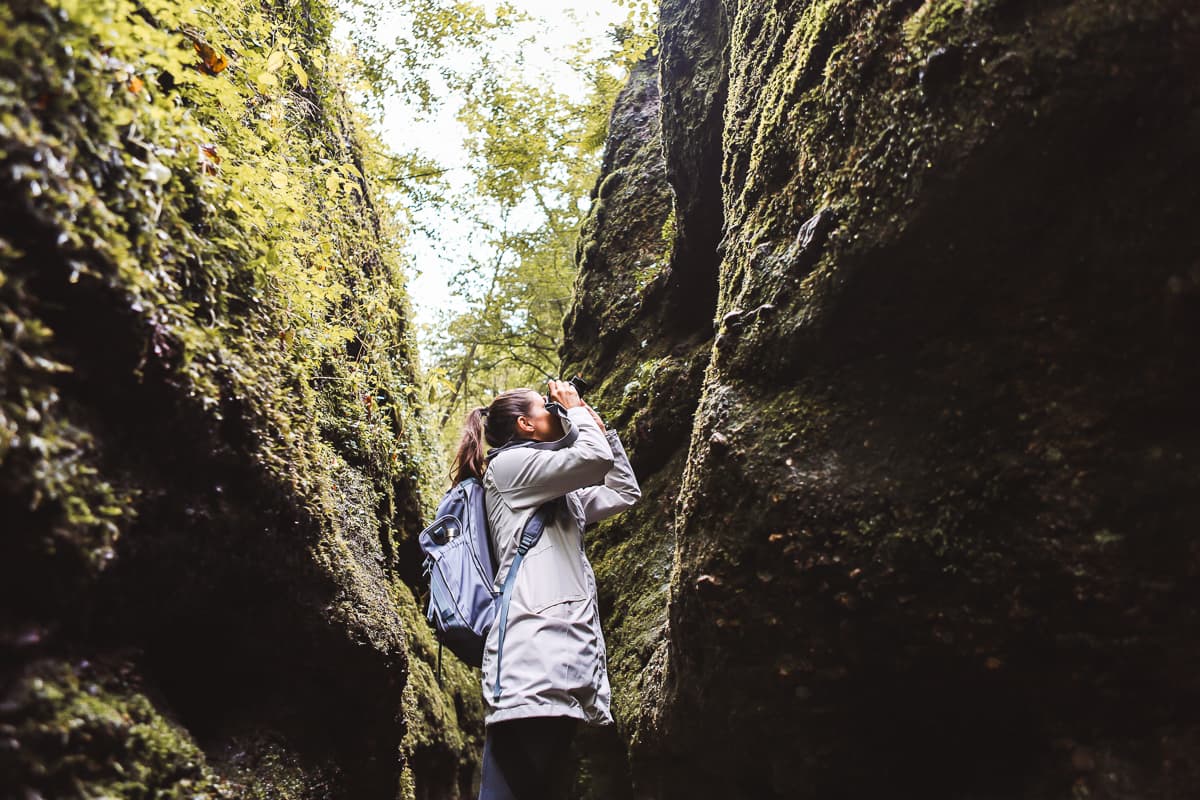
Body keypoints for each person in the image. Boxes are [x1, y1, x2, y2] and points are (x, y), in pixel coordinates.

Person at [451, 379, 641, 800]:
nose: (555, 412)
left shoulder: (557, 489)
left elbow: (623, 491)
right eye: (546, 408)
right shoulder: (509, 468)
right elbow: (592, 459)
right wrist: (573, 412)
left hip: (564, 661)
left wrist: (593, 421)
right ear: (525, 425)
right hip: (530, 660)